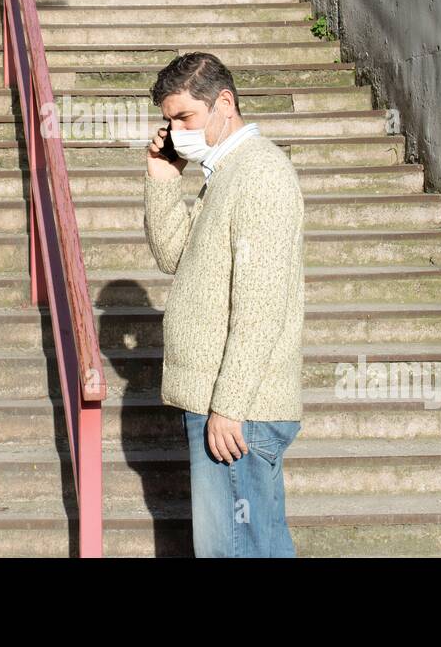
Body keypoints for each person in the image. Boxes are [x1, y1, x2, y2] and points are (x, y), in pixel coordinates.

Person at [143, 52, 305, 557]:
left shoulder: (259, 175)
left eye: (185, 117)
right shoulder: (225, 173)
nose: (175, 130)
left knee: (233, 550)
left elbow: (261, 304)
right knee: (259, 547)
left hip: (239, 410)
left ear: (224, 103)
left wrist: (229, 406)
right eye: (168, 120)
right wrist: (163, 177)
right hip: (226, 403)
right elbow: (173, 255)